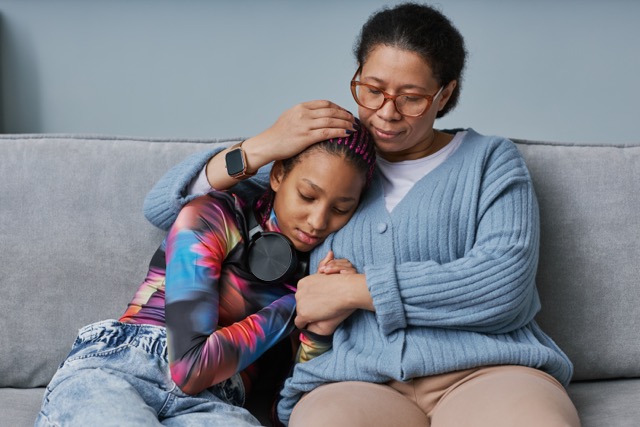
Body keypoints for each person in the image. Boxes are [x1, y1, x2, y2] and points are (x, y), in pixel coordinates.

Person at [141, 3, 581, 426]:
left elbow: (504, 286)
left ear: (445, 93)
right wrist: (263, 145)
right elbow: (164, 206)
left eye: (411, 98)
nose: (386, 113)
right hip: (354, 380)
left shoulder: (490, 160)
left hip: (487, 370)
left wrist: (355, 290)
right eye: (372, 91)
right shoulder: (330, 163)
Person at [34, 124, 376, 427]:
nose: (318, 221)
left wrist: (320, 329)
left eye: (341, 208)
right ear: (278, 176)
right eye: (307, 196)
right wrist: (297, 306)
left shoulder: (321, 278)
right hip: (126, 366)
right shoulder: (213, 214)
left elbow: (285, 413)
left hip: (217, 401)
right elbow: (190, 368)